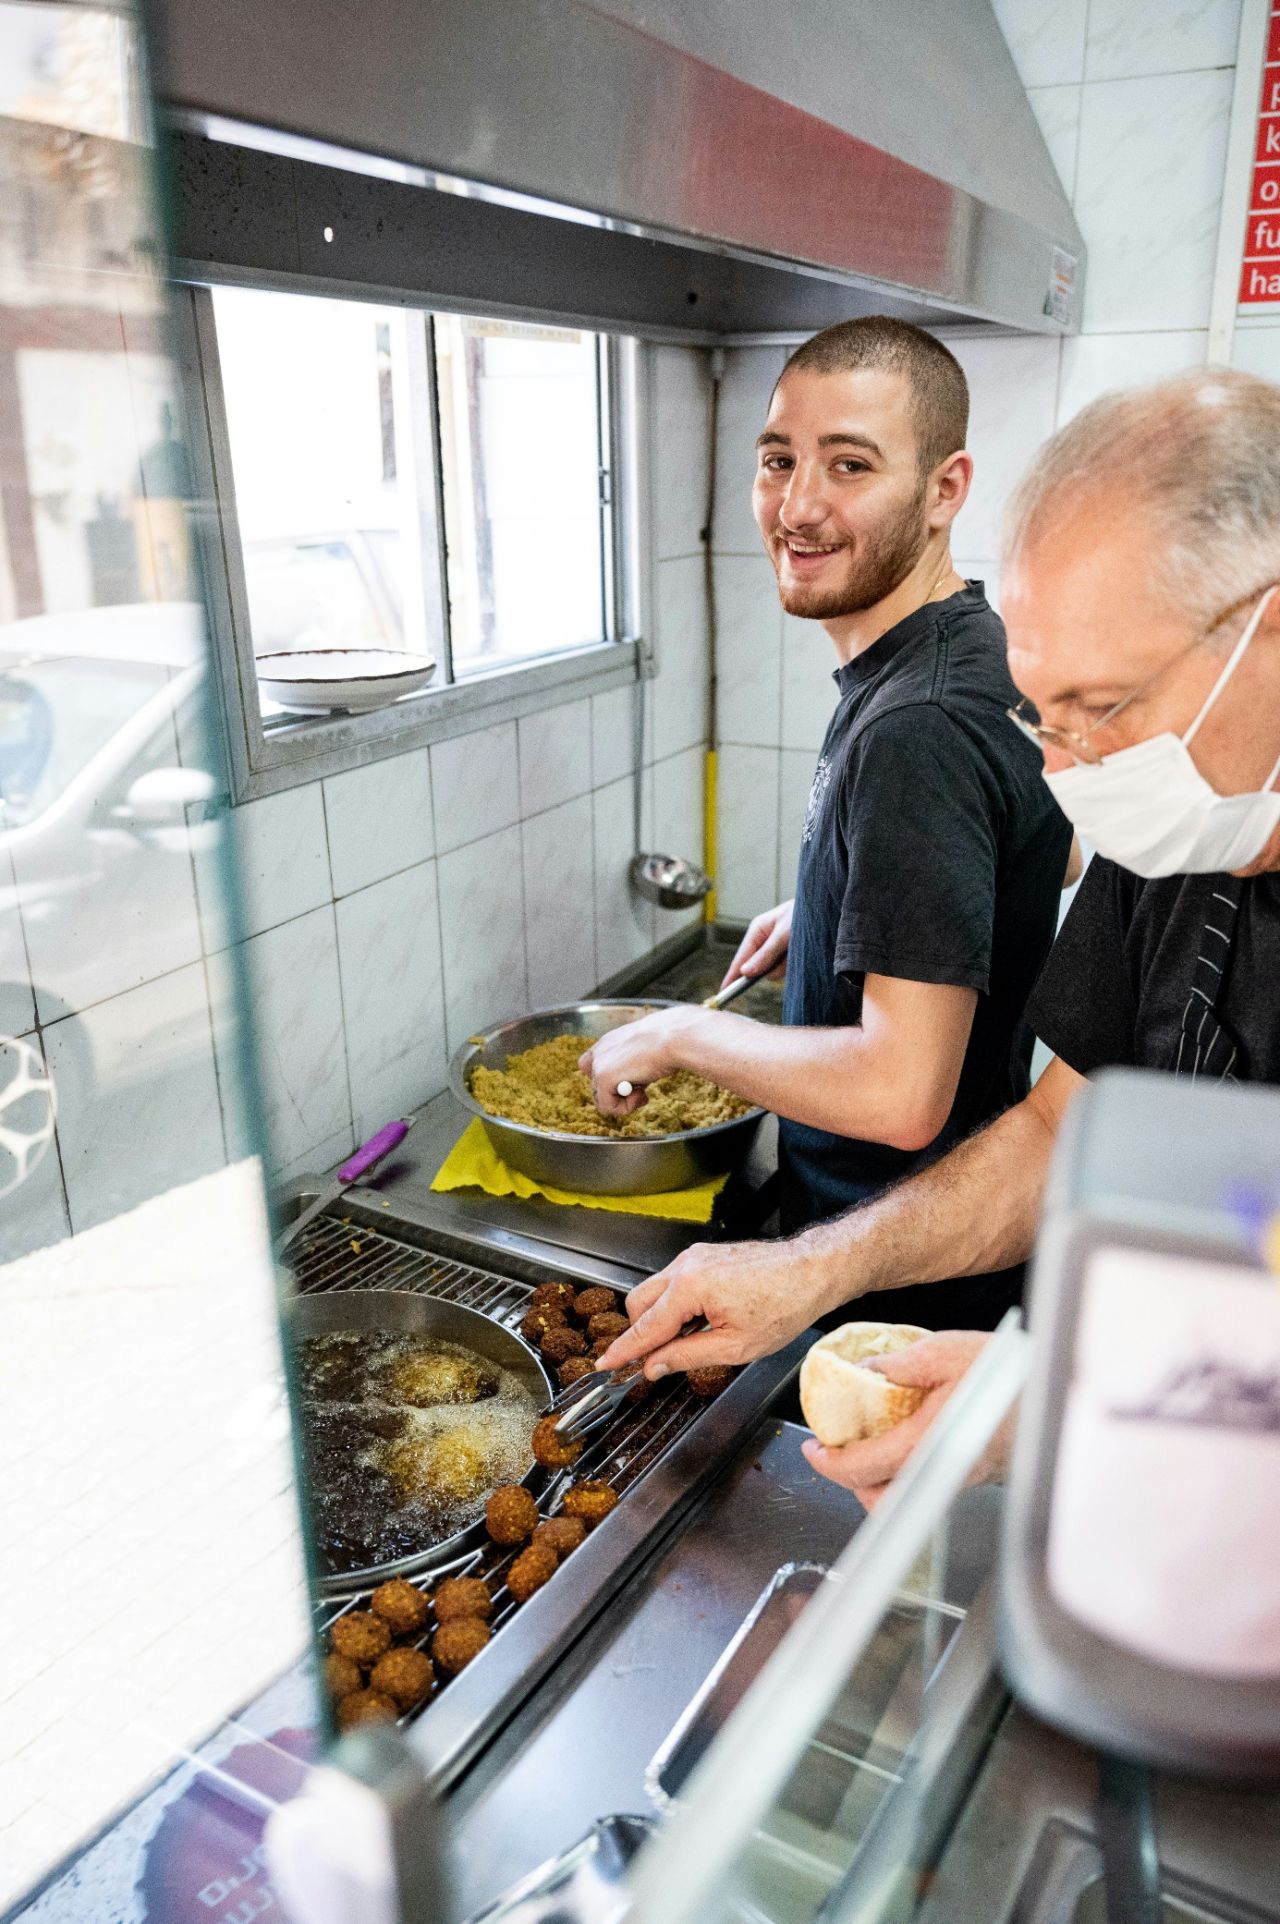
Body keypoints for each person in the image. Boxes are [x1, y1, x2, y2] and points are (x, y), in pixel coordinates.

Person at [598, 367, 1280, 1504]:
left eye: (1100, 709)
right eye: (1039, 716)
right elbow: (1057, 1130)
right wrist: (810, 1268)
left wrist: (1067, 1398)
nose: (1064, 773)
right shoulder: (1173, 842)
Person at [583, 317, 1072, 1330]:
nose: (795, 506)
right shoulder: (975, 646)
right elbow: (1049, 848)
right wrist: (848, 903)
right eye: (776, 460)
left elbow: (900, 1093)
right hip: (955, 1262)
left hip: (894, 1280)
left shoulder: (915, 725)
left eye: (848, 464)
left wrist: (678, 1032)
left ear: (943, 489)